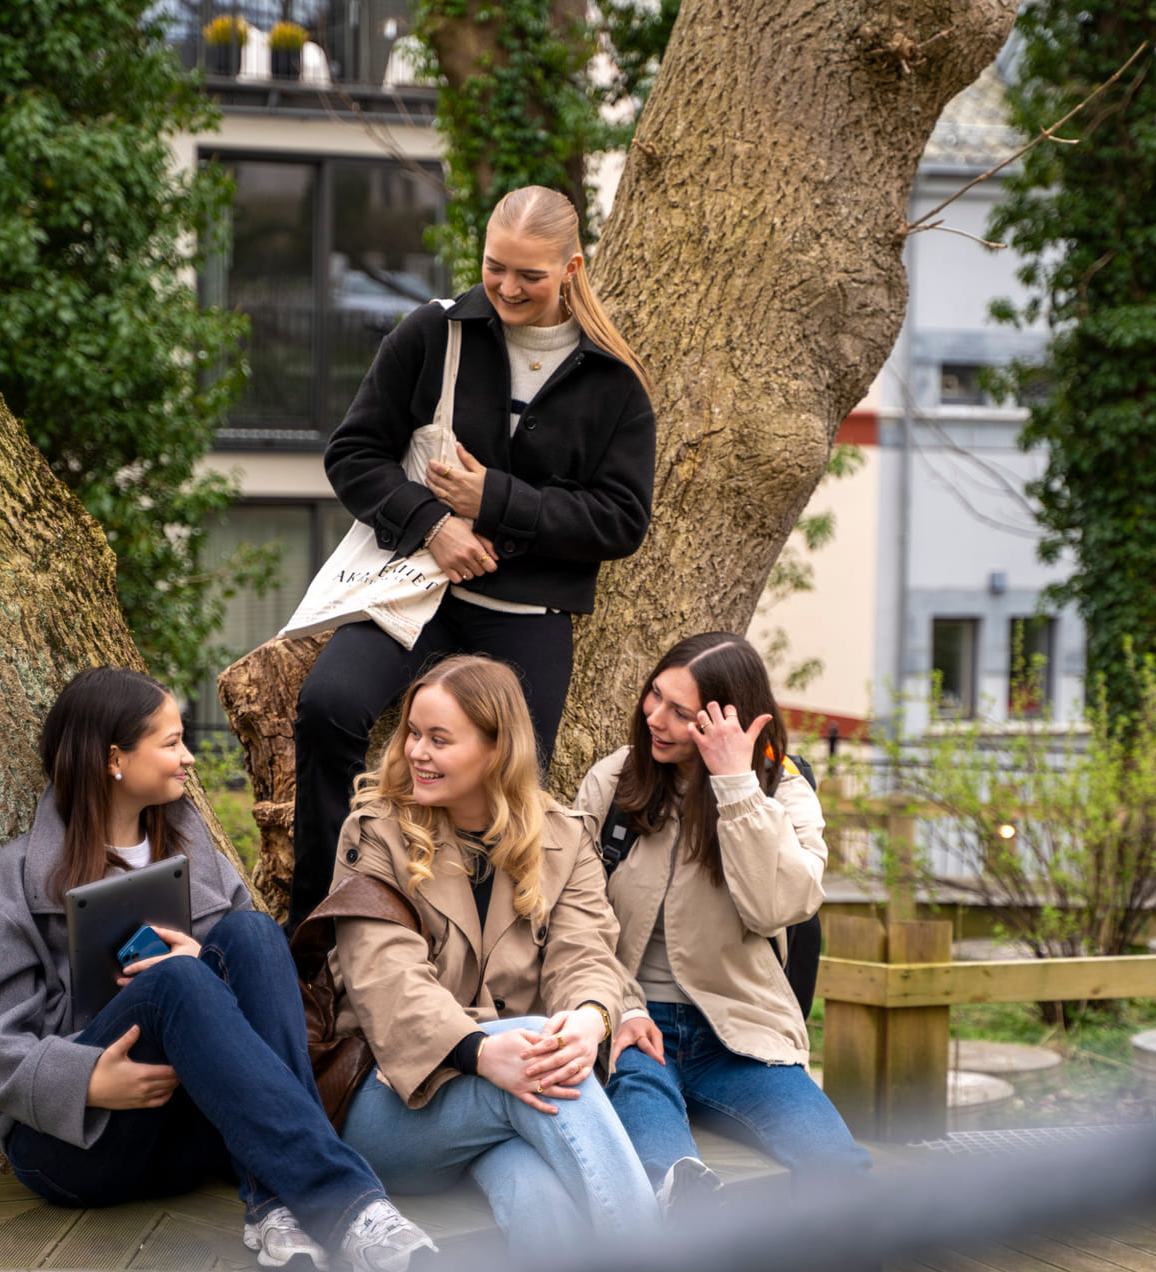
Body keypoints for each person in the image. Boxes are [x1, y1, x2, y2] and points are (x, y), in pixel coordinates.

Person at [0, 666, 436, 1271]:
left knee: (254, 932)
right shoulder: (13, 882)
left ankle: (274, 1202)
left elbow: (250, 982)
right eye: (171, 742)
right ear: (113, 759)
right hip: (78, 1147)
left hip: (191, 1130)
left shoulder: (193, 850)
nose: (189, 759)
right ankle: (348, 1204)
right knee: (173, 979)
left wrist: (203, 963)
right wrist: (87, 1080)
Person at [288, 184, 656, 928]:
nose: (509, 288)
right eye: (496, 268)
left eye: (530, 275)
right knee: (327, 708)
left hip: (527, 617)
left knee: (506, 797)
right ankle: (318, 923)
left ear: (573, 269)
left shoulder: (615, 382)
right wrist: (432, 524)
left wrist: (494, 499)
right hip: (417, 590)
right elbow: (353, 454)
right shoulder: (434, 334)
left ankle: (468, 960)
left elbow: (621, 522)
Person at [324, 655, 660, 1244]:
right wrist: (481, 1053)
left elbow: (586, 953)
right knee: (539, 1053)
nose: (415, 753)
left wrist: (589, 1019)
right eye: (412, 734)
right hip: (392, 1098)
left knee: (540, 1199)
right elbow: (386, 978)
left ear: (496, 748)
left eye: (439, 739)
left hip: (517, 1092)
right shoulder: (375, 833)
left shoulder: (563, 836)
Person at [574, 633, 872, 1207]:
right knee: (673, 1181)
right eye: (654, 696)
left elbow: (780, 906)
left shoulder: (782, 789)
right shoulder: (614, 782)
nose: (655, 718)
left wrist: (736, 788)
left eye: (680, 713)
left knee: (842, 1172)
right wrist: (620, 1006)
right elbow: (575, 918)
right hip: (632, 1026)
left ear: (725, 719)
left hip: (738, 1033)